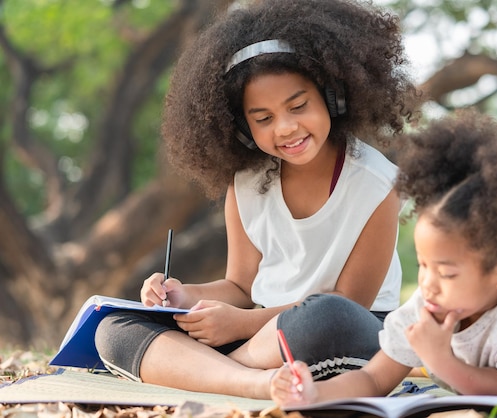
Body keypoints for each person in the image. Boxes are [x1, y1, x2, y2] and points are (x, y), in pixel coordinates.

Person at [94, 0, 422, 399]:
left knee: (323, 316)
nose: (285, 128)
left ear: (332, 96)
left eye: (298, 106)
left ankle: (204, 372)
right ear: (244, 126)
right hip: (260, 340)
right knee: (115, 329)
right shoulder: (246, 182)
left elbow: (351, 302)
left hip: (341, 332)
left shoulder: (376, 183)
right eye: (263, 118)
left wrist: (240, 326)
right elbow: (239, 286)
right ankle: (255, 383)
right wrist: (183, 296)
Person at [270, 108, 497, 405]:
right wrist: (314, 393)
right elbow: (373, 379)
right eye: (424, 265)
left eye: (447, 273)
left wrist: (439, 357)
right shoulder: (433, 299)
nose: (428, 284)